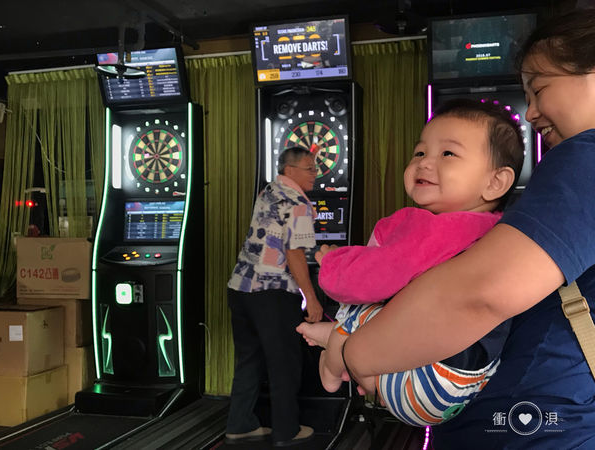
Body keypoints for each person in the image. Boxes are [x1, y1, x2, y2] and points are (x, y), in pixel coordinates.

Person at [340, 9, 595, 448]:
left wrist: (353, 353)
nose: (531, 113)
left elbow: (481, 292)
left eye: (539, 89)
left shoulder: (585, 156)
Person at [296, 98, 524, 426]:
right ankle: (353, 355)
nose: (425, 162)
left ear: (495, 182)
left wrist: (332, 262)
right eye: (419, 153)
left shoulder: (436, 230)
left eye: (448, 154)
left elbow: (367, 278)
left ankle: (332, 361)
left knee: (363, 305)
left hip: (426, 380)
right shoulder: (497, 229)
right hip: (470, 381)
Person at [224, 146, 323, 447]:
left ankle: (240, 424)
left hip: (240, 287)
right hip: (273, 293)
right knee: (284, 364)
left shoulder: (269, 190)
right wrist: (312, 298)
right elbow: (295, 254)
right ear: (290, 170)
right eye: (309, 168)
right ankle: (286, 430)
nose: (315, 174)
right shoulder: (298, 203)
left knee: (249, 360)